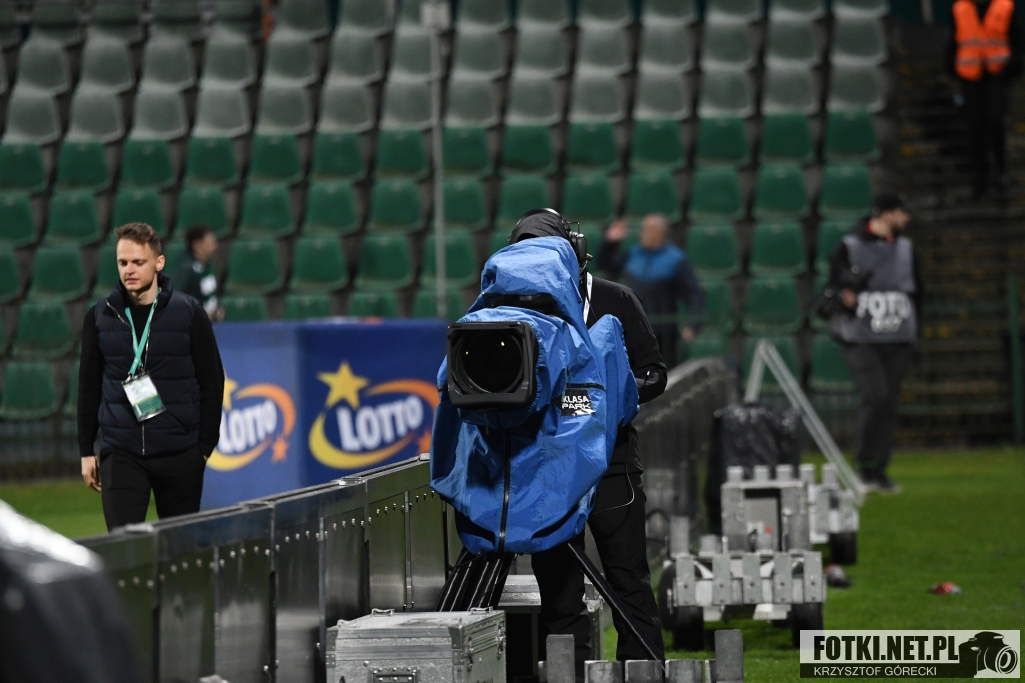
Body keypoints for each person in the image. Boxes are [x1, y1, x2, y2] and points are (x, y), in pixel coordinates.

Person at [509, 209, 667, 675]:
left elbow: (655, 373)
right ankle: (568, 675)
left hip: (612, 463)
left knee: (628, 578)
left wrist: (601, 399)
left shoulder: (616, 299)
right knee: (558, 592)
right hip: (550, 469)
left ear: (575, 254)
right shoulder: (517, 306)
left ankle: (643, 673)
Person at [78, 223, 225, 530]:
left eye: (138, 262)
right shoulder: (100, 316)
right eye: (123, 262)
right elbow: (89, 387)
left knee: (179, 550)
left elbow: (212, 381)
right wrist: (86, 450)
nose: (129, 270)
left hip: (180, 453)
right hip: (121, 452)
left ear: (159, 263)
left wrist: (203, 448)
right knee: (124, 548)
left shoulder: (189, 313)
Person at [825, 193, 921, 494]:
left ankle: (879, 470)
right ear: (887, 214)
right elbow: (833, 287)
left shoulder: (906, 248)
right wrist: (843, 297)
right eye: (901, 212)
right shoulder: (849, 247)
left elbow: (918, 291)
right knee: (876, 395)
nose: (906, 218)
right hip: (860, 336)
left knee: (888, 402)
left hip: (898, 335)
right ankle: (864, 466)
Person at [596, 214, 704, 366]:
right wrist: (610, 242)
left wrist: (692, 325)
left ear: (659, 234)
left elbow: (694, 294)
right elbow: (605, 264)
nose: (641, 234)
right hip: (632, 331)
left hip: (662, 334)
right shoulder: (634, 254)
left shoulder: (675, 260)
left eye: (646, 230)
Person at [947, 0, 1022, 199]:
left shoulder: (1004, 6)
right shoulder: (960, 8)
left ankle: (1001, 172)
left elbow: (1015, 38)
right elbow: (954, 41)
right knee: (975, 129)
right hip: (970, 77)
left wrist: (1012, 69)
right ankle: (979, 178)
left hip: (997, 75)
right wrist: (952, 72)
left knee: (995, 123)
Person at [171, 224, 223, 321]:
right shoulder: (186, 269)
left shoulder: (207, 266)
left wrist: (217, 309)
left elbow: (209, 294)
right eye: (211, 243)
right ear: (197, 244)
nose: (215, 246)